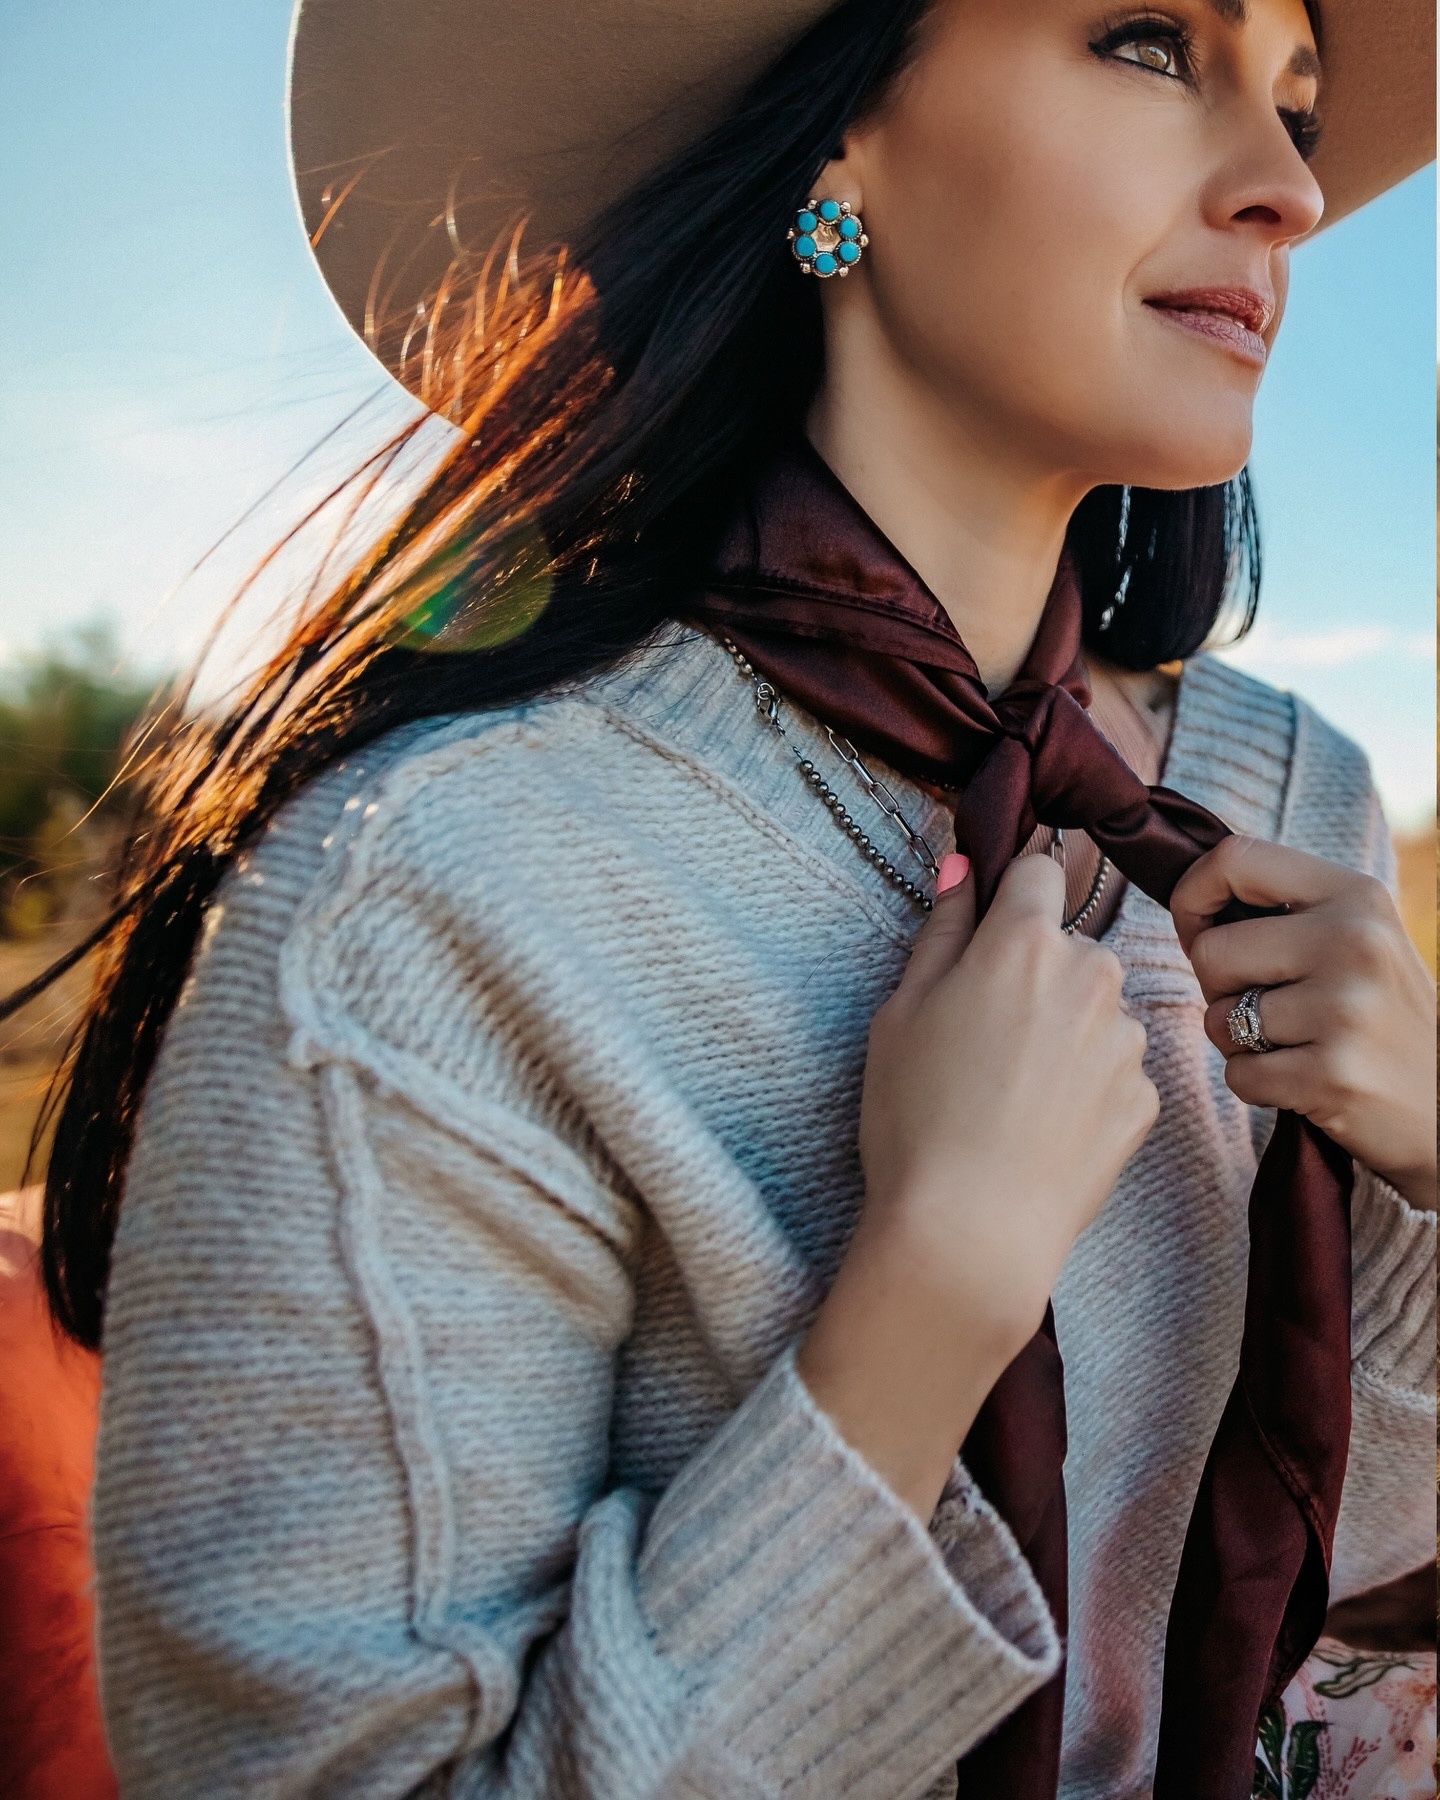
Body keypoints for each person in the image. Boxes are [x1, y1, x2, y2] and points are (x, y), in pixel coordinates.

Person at [32, 0, 1434, 1794]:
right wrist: (924, 1301)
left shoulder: (1290, 794)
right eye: (1152, 42)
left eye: (1299, 108)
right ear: (836, 142)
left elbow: (1325, 1572)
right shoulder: (424, 900)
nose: (1287, 194)